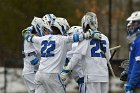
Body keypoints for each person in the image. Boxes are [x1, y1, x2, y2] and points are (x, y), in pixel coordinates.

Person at [23, 17, 102, 93]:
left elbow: (28, 37)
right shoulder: (62, 39)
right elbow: (77, 38)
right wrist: (90, 34)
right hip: (53, 75)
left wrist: (28, 30)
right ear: (61, 27)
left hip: (39, 74)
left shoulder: (43, 38)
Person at [60, 12, 111, 93]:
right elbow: (108, 57)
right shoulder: (105, 38)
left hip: (91, 76)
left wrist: (66, 70)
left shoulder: (86, 38)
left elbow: (76, 56)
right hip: (104, 76)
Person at [22, 17, 44, 93]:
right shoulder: (30, 40)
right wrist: (48, 63)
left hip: (33, 71)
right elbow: (33, 61)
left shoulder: (31, 34)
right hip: (31, 72)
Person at [124, 11, 140, 93]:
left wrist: (131, 83)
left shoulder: (139, 41)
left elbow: (138, 64)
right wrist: (128, 70)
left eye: (134, 22)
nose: (130, 24)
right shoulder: (136, 40)